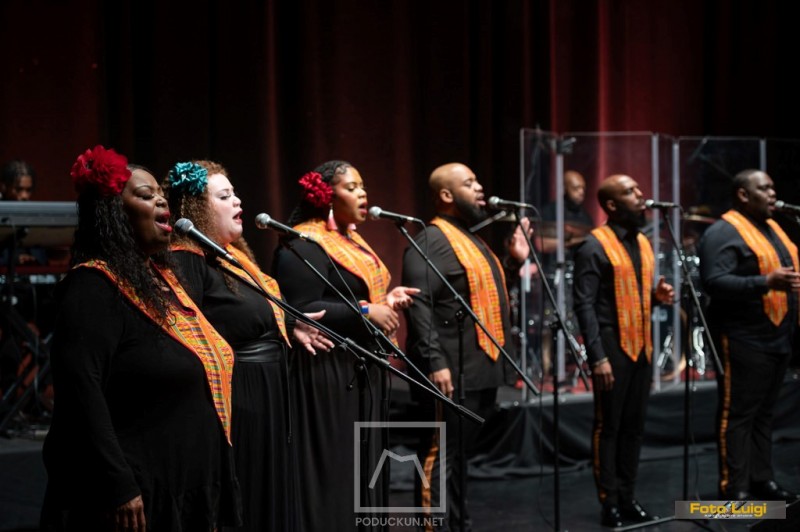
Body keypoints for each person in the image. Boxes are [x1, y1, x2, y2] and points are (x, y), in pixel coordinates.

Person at [40, 146, 240, 531]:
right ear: (114, 212)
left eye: (159, 193)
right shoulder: (92, 286)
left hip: (186, 483)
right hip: (137, 493)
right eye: (145, 195)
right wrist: (116, 482)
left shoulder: (164, 281)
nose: (161, 198)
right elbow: (81, 392)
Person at [164, 160, 333, 532]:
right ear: (196, 208)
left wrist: (289, 325)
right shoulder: (187, 260)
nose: (238, 200)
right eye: (225, 196)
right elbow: (187, 333)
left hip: (268, 391)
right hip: (240, 396)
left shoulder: (234, 258)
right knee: (250, 497)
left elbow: (248, 312)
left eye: (235, 192)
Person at [272, 160, 418, 531]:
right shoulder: (302, 243)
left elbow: (357, 295)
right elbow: (302, 308)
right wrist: (368, 310)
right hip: (326, 371)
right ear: (326, 196)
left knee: (366, 467)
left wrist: (387, 298)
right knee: (338, 470)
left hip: (363, 368)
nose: (362, 193)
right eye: (351, 187)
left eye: (362, 185)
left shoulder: (350, 239)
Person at [402, 162, 530, 531]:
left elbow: (476, 295)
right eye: (469, 183)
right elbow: (420, 304)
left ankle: (459, 524)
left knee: (458, 456)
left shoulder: (470, 237)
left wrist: (514, 263)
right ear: (446, 195)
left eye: (477, 180)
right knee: (439, 456)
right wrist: (434, 362)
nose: (480, 188)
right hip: (449, 370)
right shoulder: (430, 239)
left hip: (477, 369)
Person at [572, 174, 674, 528]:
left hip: (641, 344)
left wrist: (654, 297)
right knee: (610, 426)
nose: (641, 195)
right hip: (612, 345)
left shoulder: (643, 243)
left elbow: (629, 294)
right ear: (612, 205)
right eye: (631, 192)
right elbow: (585, 306)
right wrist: (597, 356)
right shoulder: (593, 246)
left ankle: (629, 496)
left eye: (638, 188)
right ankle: (610, 502)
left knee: (634, 427)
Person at [698, 169, 800, 502]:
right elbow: (714, 282)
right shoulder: (722, 233)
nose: (773, 194)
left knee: (765, 413)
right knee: (738, 414)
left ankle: (762, 478)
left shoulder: (773, 228)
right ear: (743, 194)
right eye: (765, 189)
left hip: (778, 334)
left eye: (773, 187)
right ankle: (734, 487)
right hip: (742, 337)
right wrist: (764, 283)